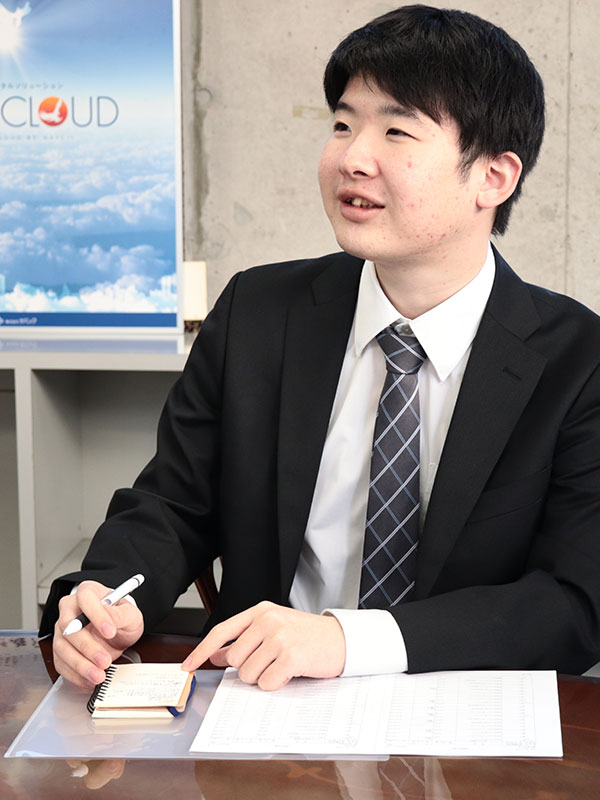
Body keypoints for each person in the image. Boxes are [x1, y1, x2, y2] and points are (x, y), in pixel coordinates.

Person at [40, 5, 600, 691]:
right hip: (264, 705)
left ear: (493, 177)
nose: (351, 158)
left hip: (464, 715)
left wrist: (346, 640)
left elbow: (574, 603)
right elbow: (173, 505)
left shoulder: (578, 361)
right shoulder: (258, 313)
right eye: (342, 125)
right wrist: (109, 594)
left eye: (396, 130)